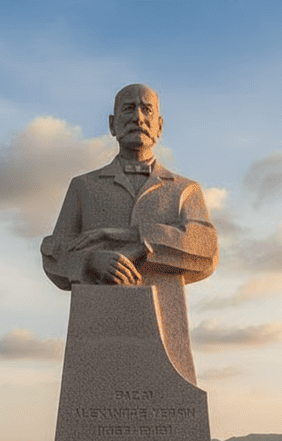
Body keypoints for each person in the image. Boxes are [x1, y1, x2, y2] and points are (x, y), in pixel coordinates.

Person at [40, 84, 218, 383]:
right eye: (128, 108)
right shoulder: (84, 187)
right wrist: (91, 260)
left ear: (159, 126)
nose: (138, 116)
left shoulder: (183, 189)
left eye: (147, 109)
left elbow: (206, 249)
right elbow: (54, 251)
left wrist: (140, 242)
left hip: (166, 344)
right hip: (98, 339)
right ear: (112, 124)